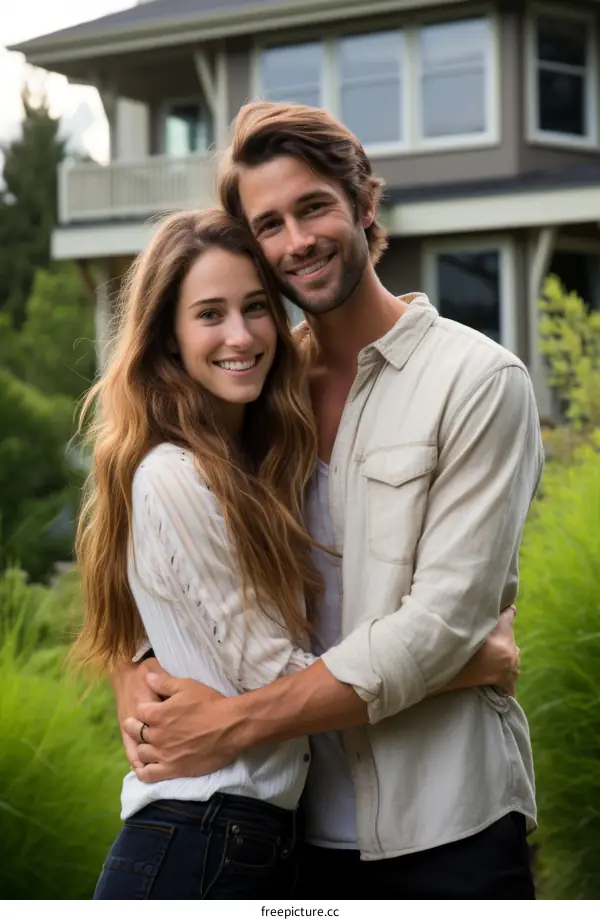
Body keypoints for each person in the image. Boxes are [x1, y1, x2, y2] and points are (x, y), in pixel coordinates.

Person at [116, 103, 544, 899]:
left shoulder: (478, 382)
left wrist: (233, 721)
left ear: (364, 203)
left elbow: (440, 626)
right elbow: (168, 548)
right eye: (269, 224)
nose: (297, 240)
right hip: (289, 835)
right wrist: (137, 669)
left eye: (313, 206)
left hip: (448, 822)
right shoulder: (257, 386)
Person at [75, 209, 328, 898]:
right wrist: (448, 663)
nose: (241, 336)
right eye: (210, 315)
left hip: (237, 841)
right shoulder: (174, 475)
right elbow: (267, 671)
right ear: (169, 339)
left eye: (255, 309)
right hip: (198, 846)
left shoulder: (247, 465)